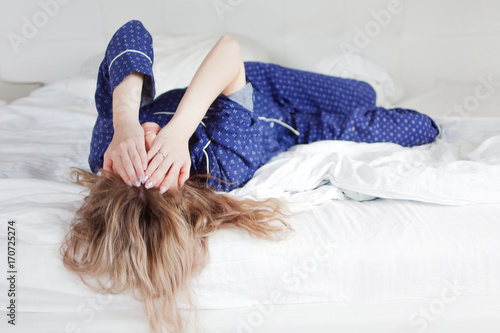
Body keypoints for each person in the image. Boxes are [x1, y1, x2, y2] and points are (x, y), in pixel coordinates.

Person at [61, 20, 440, 333]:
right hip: (297, 122)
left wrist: (125, 122)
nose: (147, 144)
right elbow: (229, 50)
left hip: (259, 83)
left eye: (137, 159)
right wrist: (177, 137)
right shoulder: (223, 166)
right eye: (156, 162)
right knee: (420, 127)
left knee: (364, 90)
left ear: (113, 172)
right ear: (181, 187)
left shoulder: (108, 148)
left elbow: (135, 32)